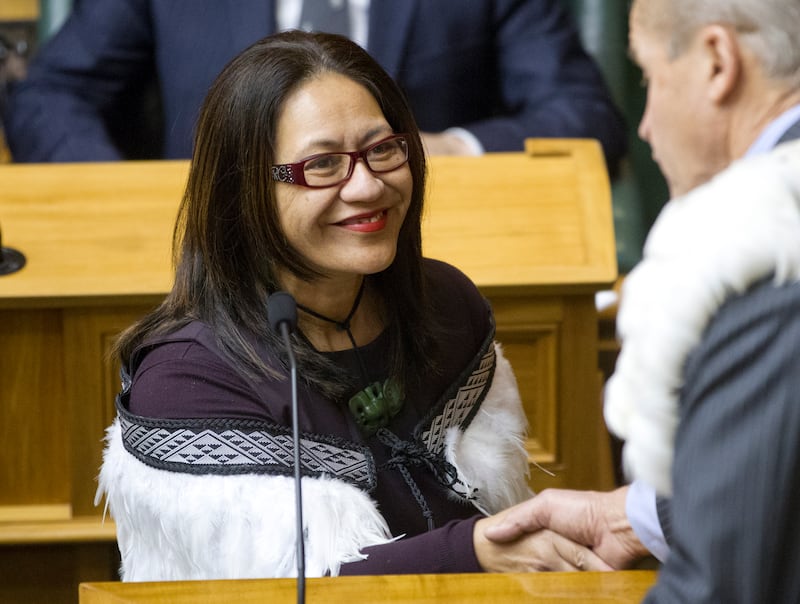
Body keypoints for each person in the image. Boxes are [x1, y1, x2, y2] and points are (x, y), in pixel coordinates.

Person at [94, 30, 612, 581]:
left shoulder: (447, 306)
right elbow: (279, 585)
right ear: (242, 189)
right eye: (322, 165)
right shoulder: (188, 377)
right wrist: (475, 550)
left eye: (383, 149)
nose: (367, 186)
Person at [484, 0, 800, 601]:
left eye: (651, 77)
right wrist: (636, 517)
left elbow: (727, 588)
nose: (647, 124)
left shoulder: (760, 254)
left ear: (716, 61)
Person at [2, 0, 626, 167]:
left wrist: (453, 148)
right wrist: (126, 203)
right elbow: (51, 98)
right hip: (198, 271)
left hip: (412, 265)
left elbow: (584, 113)